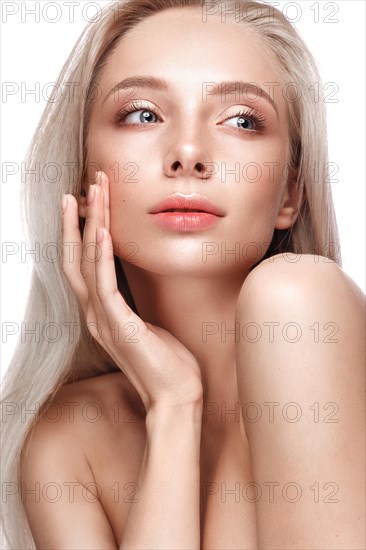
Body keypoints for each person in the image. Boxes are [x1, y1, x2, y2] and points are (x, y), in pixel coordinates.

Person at [1, 0, 365, 548]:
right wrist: (173, 408)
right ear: (80, 179)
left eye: (242, 121)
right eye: (143, 114)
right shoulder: (66, 440)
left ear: (291, 194)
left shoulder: (299, 305)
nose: (188, 154)